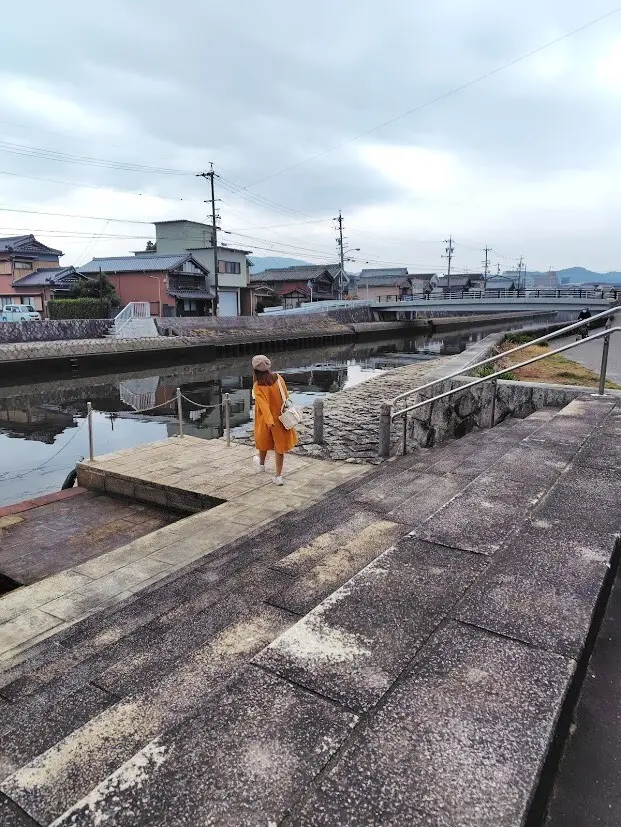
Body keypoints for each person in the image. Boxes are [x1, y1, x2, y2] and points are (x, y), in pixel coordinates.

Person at [251, 354, 298, 485]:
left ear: (255, 370)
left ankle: (261, 464)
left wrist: (268, 421)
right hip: (281, 418)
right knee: (279, 448)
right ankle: (278, 476)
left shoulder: (258, 386)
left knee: (263, 441)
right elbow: (286, 396)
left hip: (266, 420)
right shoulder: (278, 378)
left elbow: (263, 405)